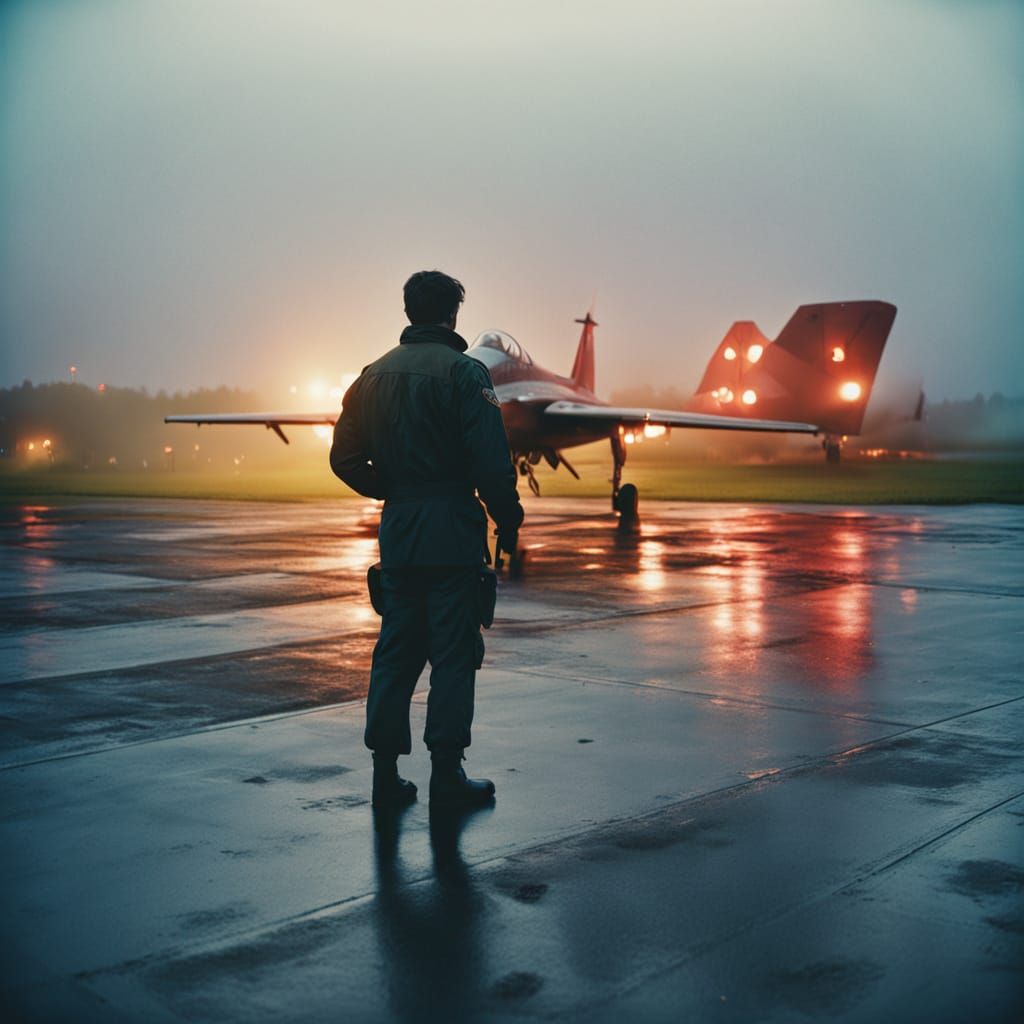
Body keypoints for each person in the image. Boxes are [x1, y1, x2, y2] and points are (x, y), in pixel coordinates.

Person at [330, 271, 524, 808]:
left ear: (409, 311)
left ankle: (384, 777)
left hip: (400, 533)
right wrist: (509, 519)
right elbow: (491, 462)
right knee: (454, 654)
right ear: (452, 314)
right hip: (452, 534)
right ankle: (447, 777)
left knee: (395, 654)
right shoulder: (466, 373)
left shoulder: (371, 376)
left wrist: (394, 489)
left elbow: (343, 458)